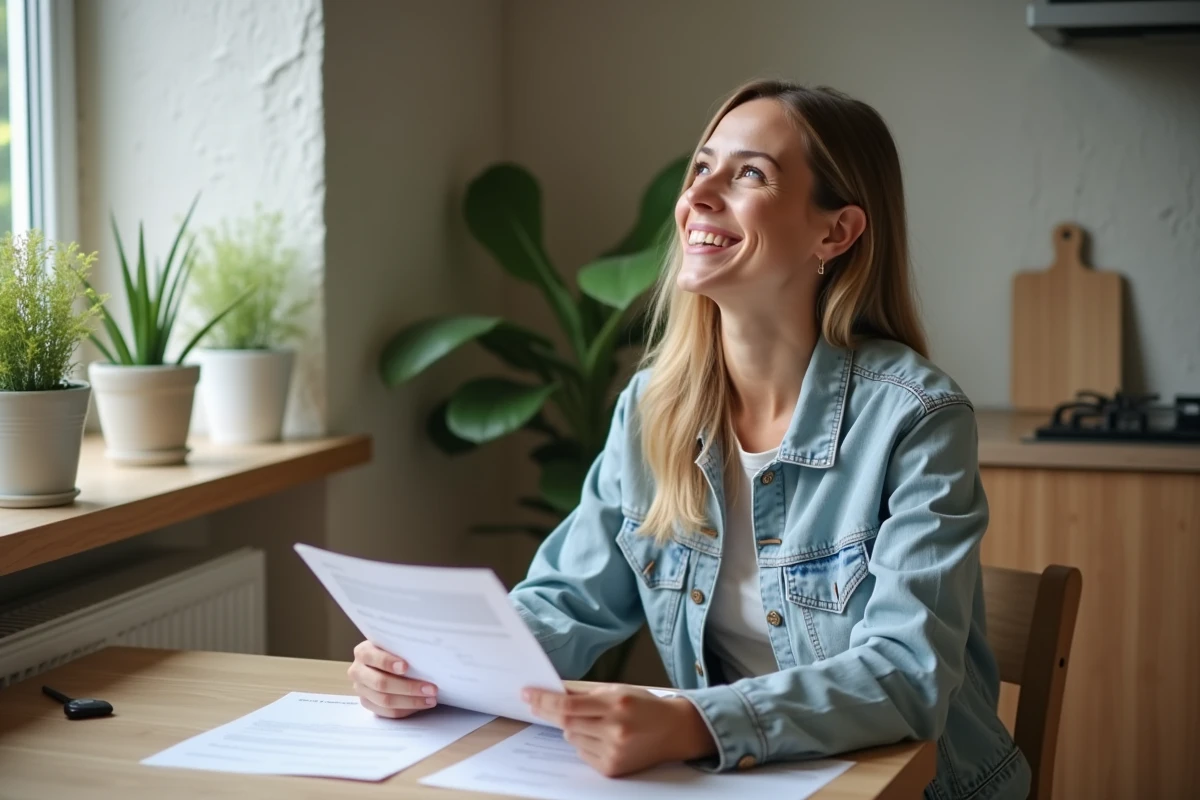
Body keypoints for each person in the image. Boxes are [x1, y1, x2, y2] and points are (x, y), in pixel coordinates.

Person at [348, 79, 1032, 800]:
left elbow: (905, 675)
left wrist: (692, 725)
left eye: (749, 175)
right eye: (702, 168)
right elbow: (569, 602)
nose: (699, 197)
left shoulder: (917, 418)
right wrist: (429, 664)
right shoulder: (652, 409)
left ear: (835, 232)